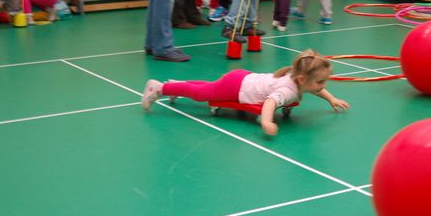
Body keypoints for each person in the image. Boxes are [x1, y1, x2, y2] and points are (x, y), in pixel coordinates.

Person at [141, 49, 350, 135]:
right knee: (202, 94)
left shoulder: (297, 77)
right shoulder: (288, 90)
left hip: (242, 79)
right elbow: (270, 102)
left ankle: (177, 84)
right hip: (237, 87)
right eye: (321, 82)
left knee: (208, 87)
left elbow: (315, 89)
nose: (323, 86)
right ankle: (159, 88)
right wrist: (267, 121)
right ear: (302, 79)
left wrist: (331, 98)